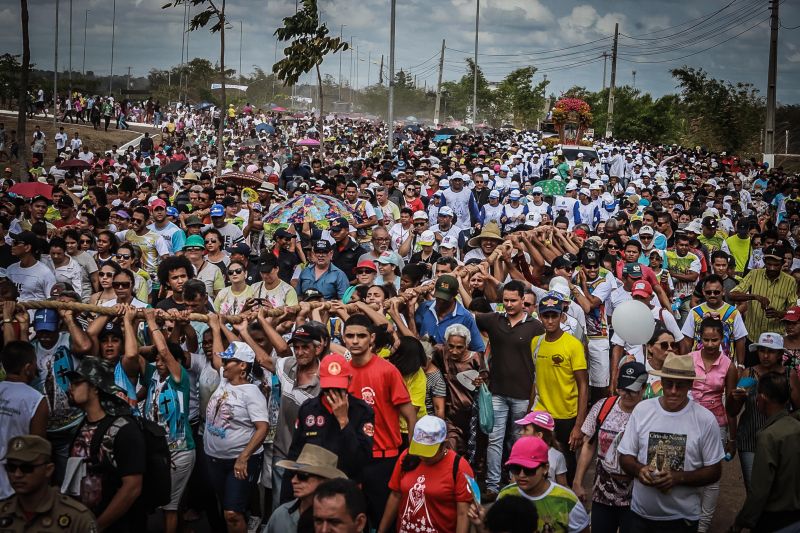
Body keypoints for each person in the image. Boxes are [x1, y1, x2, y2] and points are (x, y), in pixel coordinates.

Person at [618, 353, 725, 532]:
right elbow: (625, 456)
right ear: (661, 381)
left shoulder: (705, 419)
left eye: (680, 386)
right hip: (640, 515)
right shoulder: (642, 410)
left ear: (690, 385)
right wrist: (639, 470)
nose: (673, 391)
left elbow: (714, 471)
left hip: (682, 519)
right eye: (669, 384)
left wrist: (678, 478)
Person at [343, 314, 417, 527]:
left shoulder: (387, 370)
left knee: (385, 519)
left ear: (372, 338)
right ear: (344, 338)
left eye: (361, 336)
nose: (355, 341)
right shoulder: (343, 371)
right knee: (354, 520)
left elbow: (410, 414)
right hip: (353, 457)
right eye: (350, 336)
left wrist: (411, 452)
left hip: (384, 459)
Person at [475, 279, 544, 497]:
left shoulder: (536, 326)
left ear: (524, 300)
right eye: (505, 300)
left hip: (523, 395)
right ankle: (493, 486)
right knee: (494, 440)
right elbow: (468, 315)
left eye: (513, 300)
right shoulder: (494, 320)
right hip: (497, 392)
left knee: (519, 441)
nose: (509, 304)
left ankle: (517, 485)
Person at [63, 357, 146, 532]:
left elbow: (132, 487)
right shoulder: (82, 425)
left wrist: (96, 527)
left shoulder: (124, 429)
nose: (70, 387)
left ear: (94, 387)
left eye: (77, 382)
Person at [204, 322, 269, 533]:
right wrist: (216, 327)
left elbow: (262, 428)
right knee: (229, 508)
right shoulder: (225, 382)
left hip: (238, 462)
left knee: (232, 513)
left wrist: (244, 457)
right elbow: (215, 356)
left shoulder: (252, 392)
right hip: (215, 459)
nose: (223, 363)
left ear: (242, 365)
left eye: (228, 360)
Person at [572, 361, 648, 532]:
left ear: (643, 388)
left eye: (632, 390)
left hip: (635, 499)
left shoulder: (649, 414)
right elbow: (589, 445)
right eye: (623, 389)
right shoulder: (603, 407)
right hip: (602, 496)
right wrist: (577, 481)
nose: (626, 394)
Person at [728, 332, 800, 492]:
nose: (765, 355)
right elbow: (733, 411)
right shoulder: (748, 374)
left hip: (781, 441)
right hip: (750, 440)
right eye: (762, 350)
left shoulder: (789, 375)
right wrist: (735, 397)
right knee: (754, 489)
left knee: (779, 489)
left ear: (780, 353)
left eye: (771, 351)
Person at [378, 415, 474, 533]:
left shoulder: (460, 467)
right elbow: (395, 495)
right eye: (420, 449)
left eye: (428, 452)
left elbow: (463, 513)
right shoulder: (407, 457)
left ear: (444, 445)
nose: (422, 456)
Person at [286, 353, 374, 482]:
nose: (333, 392)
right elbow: (295, 452)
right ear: (320, 380)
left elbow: (362, 458)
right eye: (329, 387)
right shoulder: (308, 408)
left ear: (349, 380)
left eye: (338, 387)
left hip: (345, 484)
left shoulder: (362, 411)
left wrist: (344, 421)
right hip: (312, 483)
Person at [531, 291, 589, 485]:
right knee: (538, 460)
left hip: (566, 415)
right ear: (540, 317)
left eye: (553, 315)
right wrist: (529, 410)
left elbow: (583, 383)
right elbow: (535, 379)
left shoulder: (573, 345)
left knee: (566, 465)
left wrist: (579, 425)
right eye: (545, 316)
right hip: (541, 414)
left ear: (561, 315)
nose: (549, 320)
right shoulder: (536, 343)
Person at [732, 372, 800, 532]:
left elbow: (758, 493)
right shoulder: (795, 426)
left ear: (761, 399)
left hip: (775, 520)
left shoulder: (768, 436)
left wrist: (740, 522)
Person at [688, 318, 738, 532]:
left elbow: (732, 403)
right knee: (690, 468)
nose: (709, 344)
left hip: (716, 422)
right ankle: (689, 517)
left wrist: (732, 438)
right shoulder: (689, 359)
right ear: (700, 338)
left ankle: (703, 525)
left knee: (712, 474)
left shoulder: (728, 365)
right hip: (688, 421)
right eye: (705, 339)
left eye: (714, 340)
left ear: (722, 339)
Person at [0, 435, 96, 532]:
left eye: (27, 468)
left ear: (48, 470)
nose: (17, 474)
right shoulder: (2, 512)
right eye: (11, 468)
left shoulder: (77, 518)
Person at [496, 436, 590, 533]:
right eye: (515, 468)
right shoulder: (505, 496)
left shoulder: (567, 500)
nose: (521, 475)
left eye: (529, 470)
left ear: (545, 468)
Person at [0, 342, 48, 499]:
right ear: (27, 368)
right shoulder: (35, 400)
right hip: (16, 482)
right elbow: (38, 447)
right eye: (35, 364)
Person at [268, 444, 348, 533]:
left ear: (324, 481)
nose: (293, 480)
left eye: (302, 476)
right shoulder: (281, 514)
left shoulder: (342, 520)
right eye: (293, 474)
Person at [730, 245, 798, 341]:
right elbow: (732, 295)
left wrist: (779, 314)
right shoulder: (754, 274)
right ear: (764, 262)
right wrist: (754, 296)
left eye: (776, 265)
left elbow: (793, 312)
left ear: (783, 263)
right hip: (752, 335)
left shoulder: (790, 281)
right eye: (769, 264)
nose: (772, 268)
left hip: (776, 338)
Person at [681, 274, 748, 367]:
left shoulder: (733, 312)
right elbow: (687, 340)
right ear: (703, 292)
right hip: (697, 365)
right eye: (709, 292)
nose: (712, 295)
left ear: (723, 292)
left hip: (725, 366)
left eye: (716, 292)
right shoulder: (695, 312)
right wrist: (685, 362)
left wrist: (740, 365)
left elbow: (740, 340)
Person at [415, 275, 485, 352]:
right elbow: (414, 334)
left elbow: (479, 349)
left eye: (445, 298)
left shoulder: (465, 317)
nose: (441, 301)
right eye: (439, 297)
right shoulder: (424, 308)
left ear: (455, 294)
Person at [6, 231, 56, 303]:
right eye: (13, 242)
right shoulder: (10, 269)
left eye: (16, 243)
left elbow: (52, 300)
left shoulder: (45, 273)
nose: (12, 245)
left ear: (27, 247)